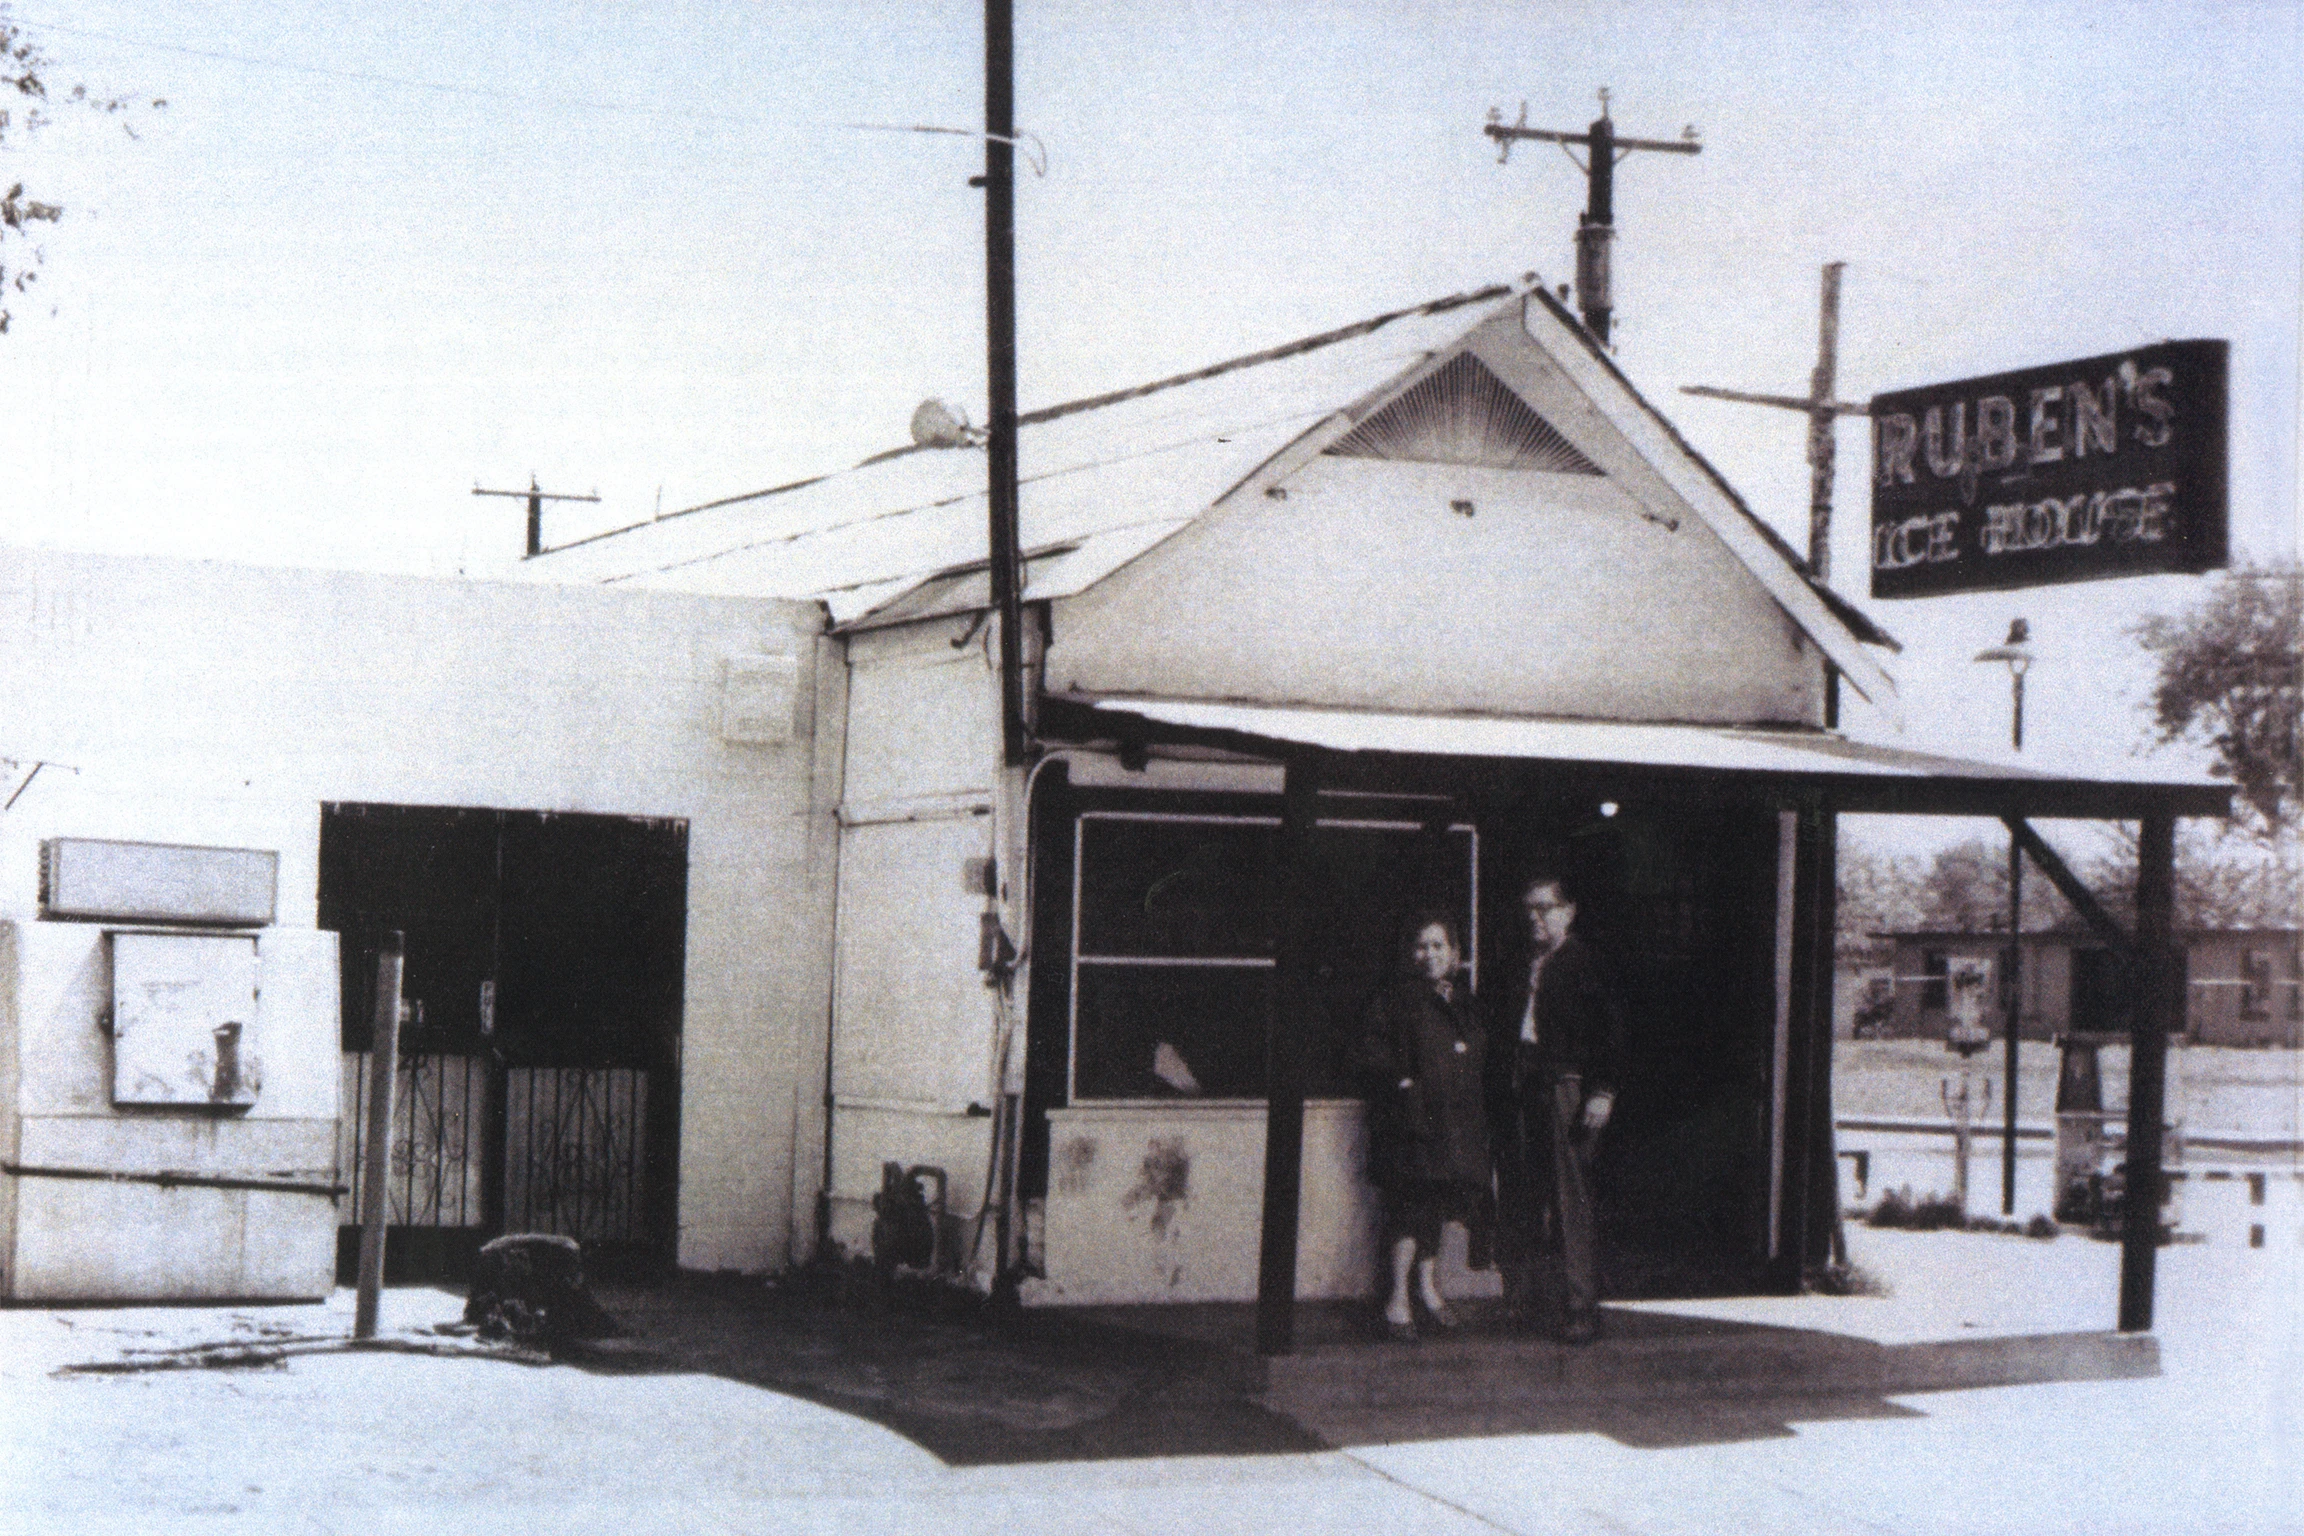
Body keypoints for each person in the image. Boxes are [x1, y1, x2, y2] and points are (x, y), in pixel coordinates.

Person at [1489, 869, 1624, 1344]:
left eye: (1544, 908)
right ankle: (1530, 1302)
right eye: (1529, 909)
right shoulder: (1521, 964)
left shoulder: (1583, 963)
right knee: (1524, 1196)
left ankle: (1580, 1307)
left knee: (1571, 1201)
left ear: (1568, 911)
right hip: (1521, 1085)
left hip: (1566, 1089)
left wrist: (1603, 1091)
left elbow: (1610, 1034)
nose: (1535, 918)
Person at [1353, 913, 1488, 1342]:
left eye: (1438, 946)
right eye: (1421, 946)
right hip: (1411, 1125)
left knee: (1437, 1207)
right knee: (1409, 1209)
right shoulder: (1396, 999)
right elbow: (1367, 1049)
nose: (1429, 955)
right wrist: (1402, 1081)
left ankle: (1428, 1291)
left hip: (1452, 1128)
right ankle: (1397, 1300)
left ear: (1455, 954)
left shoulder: (1463, 1001)